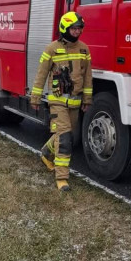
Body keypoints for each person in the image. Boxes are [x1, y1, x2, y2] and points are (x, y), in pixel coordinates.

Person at [30, 11, 92, 192]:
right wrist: (35, 97)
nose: (77, 32)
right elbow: (41, 75)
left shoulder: (84, 49)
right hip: (57, 102)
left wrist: (87, 98)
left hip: (75, 103)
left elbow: (87, 76)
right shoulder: (51, 49)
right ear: (65, 28)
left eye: (79, 28)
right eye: (73, 28)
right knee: (64, 138)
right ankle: (62, 177)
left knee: (67, 135)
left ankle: (46, 153)